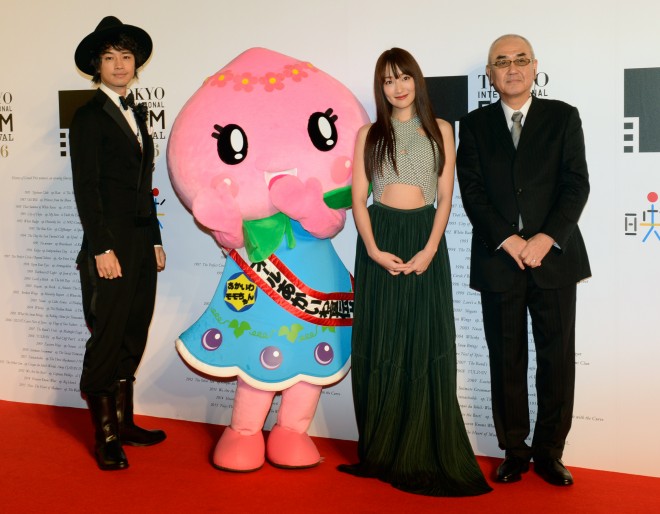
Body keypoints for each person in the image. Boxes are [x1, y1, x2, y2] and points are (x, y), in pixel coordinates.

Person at [338, 48, 491, 496]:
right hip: (380, 238)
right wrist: (372, 249)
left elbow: (445, 198)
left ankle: (422, 447)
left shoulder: (441, 129)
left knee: (423, 341)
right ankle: (381, 450)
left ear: (416, 81)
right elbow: (358, 197)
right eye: (388, 80)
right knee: (381, 339)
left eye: (403, 77)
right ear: (380, 88)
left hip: (425, 239)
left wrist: (429, 250)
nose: (397, 87)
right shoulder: (368, 134)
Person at [456, 34, 591, 486]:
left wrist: (546, 237)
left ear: (535, 67)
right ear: (490, 74)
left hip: (554, 260)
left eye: (520, 59)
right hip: (500, 261)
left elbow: (576, 184)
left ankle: (550, 453)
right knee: (506, 360)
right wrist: (509, 240)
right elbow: (472, 191)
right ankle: (514, 450)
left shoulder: (563, 117)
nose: (511, 68)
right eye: (501, 61)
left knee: (557, 360)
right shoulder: (474, 125)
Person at [70, 16, 166, 471]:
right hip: (109, 246)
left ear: (136, 63)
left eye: (126, 57)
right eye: (110, 58)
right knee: (107, 335)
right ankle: (106, 435)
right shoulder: (88, 116)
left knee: (134, 328)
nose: (120, 65)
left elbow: (144, 184)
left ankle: (124, 422)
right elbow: (86, 189)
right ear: (97, 66)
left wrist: (155, 239)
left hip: (140, 241)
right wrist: (101, 248)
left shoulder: (137, 113)